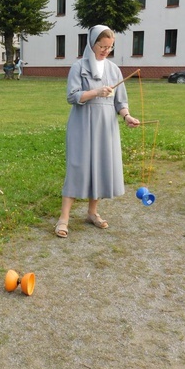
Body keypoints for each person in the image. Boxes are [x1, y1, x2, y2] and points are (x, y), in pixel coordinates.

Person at [55, 25, 140, 239]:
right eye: (102, 46)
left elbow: (120, 101)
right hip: (82, 124)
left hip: (106, 127)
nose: (106, 51)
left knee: (100, 166)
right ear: (92, 44)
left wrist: (127, 116)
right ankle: (63, 218)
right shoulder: (79, 66)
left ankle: (92, 212)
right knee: (77, 166)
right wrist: (96, 92)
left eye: (109, 47)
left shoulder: (114, 70)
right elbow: (72, 96)